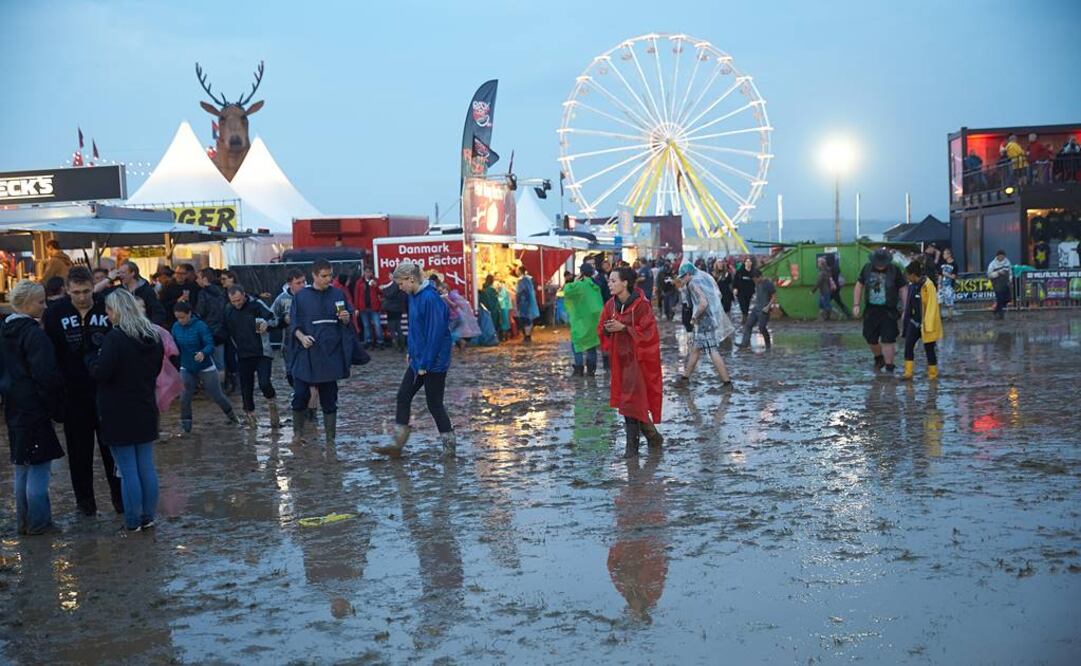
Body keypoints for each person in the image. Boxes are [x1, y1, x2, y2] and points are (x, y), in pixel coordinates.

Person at [43, 267, 124, 516]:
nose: (81, 297)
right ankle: (85, 504)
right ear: (67, 290)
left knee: (112, 451)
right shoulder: (56, 312)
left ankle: (120, 501)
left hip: (105, 392)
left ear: (94, 286)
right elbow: (51, 353)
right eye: (76, 292)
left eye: (86, 291)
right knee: (79, 455)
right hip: (73, 395)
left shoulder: (105, 307)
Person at [88, 288, 164, 534]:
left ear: (114, 311)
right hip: (144, 405)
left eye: (108, 311)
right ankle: (148, 516)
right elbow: (154, 371)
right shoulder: (152, 336)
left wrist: (91, 362)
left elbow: (102, 372)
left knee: (128, 470)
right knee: (145, 466)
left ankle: (133, 520)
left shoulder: (115, 338)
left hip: (117, 409)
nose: (107, 316)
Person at [1, 280, 65, 535]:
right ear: (28, 304)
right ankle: (38, 522)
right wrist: (56, 407)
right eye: (41, 302)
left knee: (21, 467)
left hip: (13, 407)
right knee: (38, 468)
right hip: (34, 408)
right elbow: (46, 376)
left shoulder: (5, 332)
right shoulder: (34, 335)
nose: (45, 306)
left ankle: (24, 522)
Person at [373, 261, 454, 458]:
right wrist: (411, 351)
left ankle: (449, 446)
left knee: (434, 403)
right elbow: (414, 329)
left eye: (400, 284)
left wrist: (425, 364)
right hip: (418, 359)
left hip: (433, 362)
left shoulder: (430, 299)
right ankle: (398, 443)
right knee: (403, 395)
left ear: (411, 279)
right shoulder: (413, 297)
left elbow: (436, 335)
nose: (400, 288)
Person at [598, 266, 663, 459]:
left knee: (631, 402)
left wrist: (624, 328)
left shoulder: (641, 305)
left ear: (625, 283)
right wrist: (609, 329)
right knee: (629, 402)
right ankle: (653, 437)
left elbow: (650, 333)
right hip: (620, 360)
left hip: (638, 360)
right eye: (609, 280)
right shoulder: (610, 305)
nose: (609, 284)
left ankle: (632, 450)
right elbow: (601, 328)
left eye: (613, 280)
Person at [288, 259, 355, 443]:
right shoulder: (301, 297)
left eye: (330, 275)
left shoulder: (338, 294)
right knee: (300, 394)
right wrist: (302, 338)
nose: (328, 279)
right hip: (307, 354)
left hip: (330, 355)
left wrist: (346, 318)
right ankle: (298, 434)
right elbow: (294, 324)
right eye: (324, 276)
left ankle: (330, 440)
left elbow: (348, 320)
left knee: (329, 399)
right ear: (315, 276)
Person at [172, 301, 239, 433]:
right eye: (177, 318)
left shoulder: (200, 326)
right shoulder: (175, 327)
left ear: (189, 314)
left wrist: (203, 353)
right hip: (186, 367)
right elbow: (173, 345)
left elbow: (209, 343)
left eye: (183, 317)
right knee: (184, 397)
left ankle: (233, 417)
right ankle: (187, 429)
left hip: (205, 366)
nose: (180, 321)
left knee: (217, 395)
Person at [225, 285, 279, 428]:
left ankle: (272, 401)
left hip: (262, 352)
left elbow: (274, 319)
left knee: (264, 383)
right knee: (246, 387)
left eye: (238, 300)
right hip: (243, 353)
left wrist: (267, 324)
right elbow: (226, 331)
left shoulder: (256, 304)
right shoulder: (229, 310)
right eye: (233, 301)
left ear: (244, 294)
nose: (237, 304)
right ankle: (251, 419)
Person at [675, 263, 734, 386]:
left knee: (713, 351)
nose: (682, 279)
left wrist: (694, 317)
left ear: (689, 274)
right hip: (708, 319)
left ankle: (727, 381)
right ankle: (685, 378)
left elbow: (703, 303)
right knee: (696, 349)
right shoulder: (699, 280)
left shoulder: (692, 284)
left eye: (683, 276)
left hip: (704, 321)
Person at [853, 248, 906, 373]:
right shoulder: (866, 269)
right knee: (869, 337)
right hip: (871, 309)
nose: (880, 266)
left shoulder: (895, 270)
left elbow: (903, 289)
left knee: (888, 339)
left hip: (889, 309)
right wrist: (856, 304)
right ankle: (879, 357)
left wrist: (905, 308)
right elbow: (859, 285)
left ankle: (889, 366)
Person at [901, 261, 942, 381]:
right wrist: (906, 320)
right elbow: (909, 304)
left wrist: (927, 324)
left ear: (913, 274)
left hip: (926, 324)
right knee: (908, 345)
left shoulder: (928, 285)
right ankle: (908, 373)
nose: (907, 277)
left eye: (908, 275)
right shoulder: (912, 285)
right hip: (914, 322)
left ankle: (932, 374)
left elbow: (932, 306)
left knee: (929, 349)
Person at [563, 263, 604, 376]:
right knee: (591, 345)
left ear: (581, 273)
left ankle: (579, 369)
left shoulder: (580, 285)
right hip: (594, 321)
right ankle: (591, 371)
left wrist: (575, 280)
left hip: (582, 321)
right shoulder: (595, 286)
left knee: (576, 344)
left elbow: (567, 290)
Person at [271, 269, 307, 382]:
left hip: (308, 339)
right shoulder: (281, 299)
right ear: (290, 284)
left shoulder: (310, 295)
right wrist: (283, 320)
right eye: (298, 283)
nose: (302, 285)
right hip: (289, 342)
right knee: (290, 373)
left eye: (304, 282)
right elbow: (271, 318)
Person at [193, 267, 228, 373]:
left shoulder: (203, 293)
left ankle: (214, 387)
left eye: (198, 278)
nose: (196, 280)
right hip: (221, 331)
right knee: (220, 363)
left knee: (209, 364)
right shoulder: (222, 291)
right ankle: (222, 387)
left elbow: (200, 312)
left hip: (208, 331)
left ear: (205, 279)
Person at [116, 261, 166, 326]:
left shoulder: (146, 290)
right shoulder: (119, 290)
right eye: (119, 273)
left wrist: (150, 327)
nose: (120, 275)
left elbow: (158, 311)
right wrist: (109, 278)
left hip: (143, 327)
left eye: (123, 273)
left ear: (132, 273)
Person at [736, 270, 777, 350]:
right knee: (748, 325)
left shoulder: (768, 284)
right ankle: (744, 343)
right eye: (754, 279)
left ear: (760, 276)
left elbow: (774, 296)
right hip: (756, 308)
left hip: (764, 309)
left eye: (756, 279)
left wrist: (768, 307)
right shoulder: (757, 283)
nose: (755, 281)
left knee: (762, 328)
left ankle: (768, 345)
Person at [353, 267, 384, 350]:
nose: (368, 274)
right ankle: (368, 341)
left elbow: (381, 292)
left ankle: (380, 342)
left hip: (374, 307)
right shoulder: (359, 282)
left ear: (372, 273)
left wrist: (376, 286)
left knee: (377, 325)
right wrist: (356, 308)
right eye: (366, 272)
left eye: (369, 272)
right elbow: (356, 295)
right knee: (366, 326)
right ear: (364, 272)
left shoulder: (376, 280)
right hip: (363, 308)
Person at [380, 276, 408, 352]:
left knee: (392, 328)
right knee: (399, 327)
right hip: (399, 309)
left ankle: (396, 345)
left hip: (392, 309)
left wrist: (383, 290)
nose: (389, 276)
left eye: (390, 274)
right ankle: (402, 345)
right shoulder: (402, 283)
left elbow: (390, 295)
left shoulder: (395, 284)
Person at [515, 266, 540, 343]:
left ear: (520, 271)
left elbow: (519, 293)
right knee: (529, 319)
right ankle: (528, 336)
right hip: (530, 302)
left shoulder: (521, 281)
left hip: (524, 302)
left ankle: (527, 336)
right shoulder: (529, 279)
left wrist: (518, 302)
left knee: (525, 320)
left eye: (517, 270)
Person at [987, 249, 1012, 319]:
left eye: (1002, 256)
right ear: (997, 256)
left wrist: (1010, 280)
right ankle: (1000, 314)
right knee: (1000, 298)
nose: (1001, 258)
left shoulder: (1007, 262)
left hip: (1005, 283)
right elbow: (989, 274)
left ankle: (996, 310)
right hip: (997, 284)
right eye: (1000, 256)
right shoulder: (992, 264)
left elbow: (1010, 272)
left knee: (1007, 299)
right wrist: (998, 273)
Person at [478, 275, 504, 342]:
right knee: (494, 325)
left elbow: (481, 300)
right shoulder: (492, 290)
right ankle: (494, 339)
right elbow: (496, 301)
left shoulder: (484, 290)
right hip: (494, 310)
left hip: (486, 310)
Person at [825, 254, 851, 318]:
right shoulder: (836, 267)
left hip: (833, 288)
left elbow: (830, 278)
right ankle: (848, 314)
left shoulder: (830, 269)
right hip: (837, 287)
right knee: (839, 302)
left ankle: (832, 315)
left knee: (825, 302)